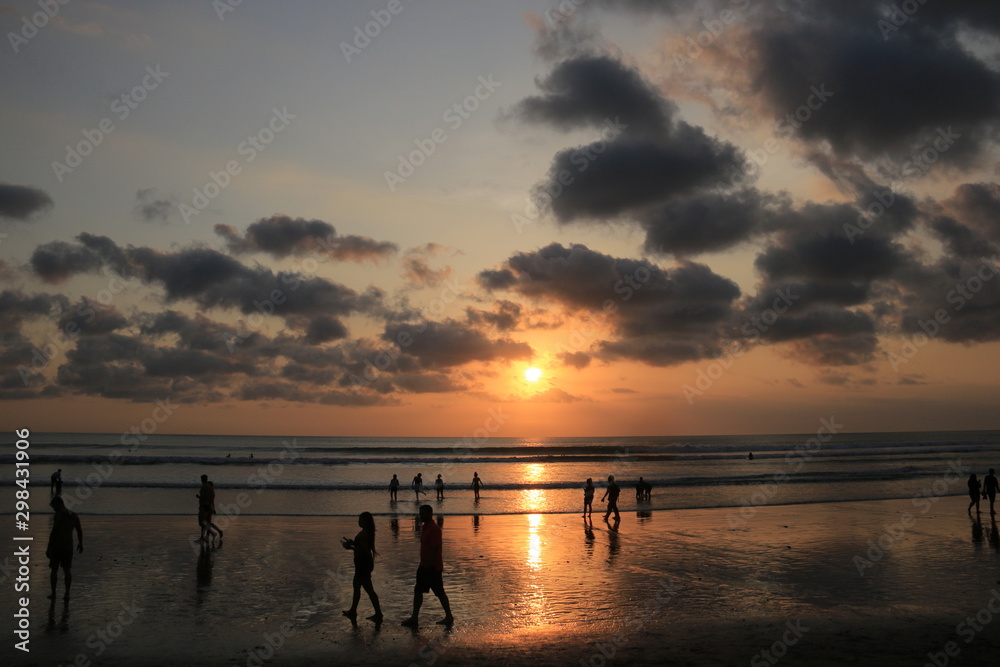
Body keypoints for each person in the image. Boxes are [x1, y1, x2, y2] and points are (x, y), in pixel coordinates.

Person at [402, 504, 453, 627]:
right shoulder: (424, 528)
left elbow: (435, 549)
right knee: (418, 590)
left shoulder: (434, 529)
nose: (421, 516)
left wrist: (428, 565)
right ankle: (414, 618)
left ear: (430, 514)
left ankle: (449, 616)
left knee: (439, 592)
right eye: (420, 513)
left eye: (423, 513)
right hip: (424, 565)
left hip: (432, 567)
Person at [342, 512, 383, 623]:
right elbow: (362, 547)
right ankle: (353, 610)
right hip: (363, 562)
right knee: (357, 585)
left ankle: (378, 613)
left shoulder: (365, 533)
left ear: (365, 521)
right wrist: (352, 543)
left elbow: (363, 550)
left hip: (363, 563)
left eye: (360, 520)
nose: (358, 522)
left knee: (368, 589)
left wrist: (350, 547)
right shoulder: (366, 532)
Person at [46, 496, 83, 601]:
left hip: (57, 546)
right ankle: (67, 594)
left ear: (58, 504)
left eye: (54, 506)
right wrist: (80, 543)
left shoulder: (58, 515)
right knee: (67, 570)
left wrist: (49, 547)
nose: (53, 508)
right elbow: (79, 530)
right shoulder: (74, 515)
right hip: (68, 545)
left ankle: (54, 593)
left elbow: (54, 532)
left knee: (54, 570)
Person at [197, 474, 217, 542]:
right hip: (209, 507)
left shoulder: (204, 487)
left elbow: (204, 497)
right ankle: (205, 536)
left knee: (202, 522)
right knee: (207, 522)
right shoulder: (211, 488)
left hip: (204, 507)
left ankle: (211, 534)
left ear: (202, 479)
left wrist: (199, 497)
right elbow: (211, 499)